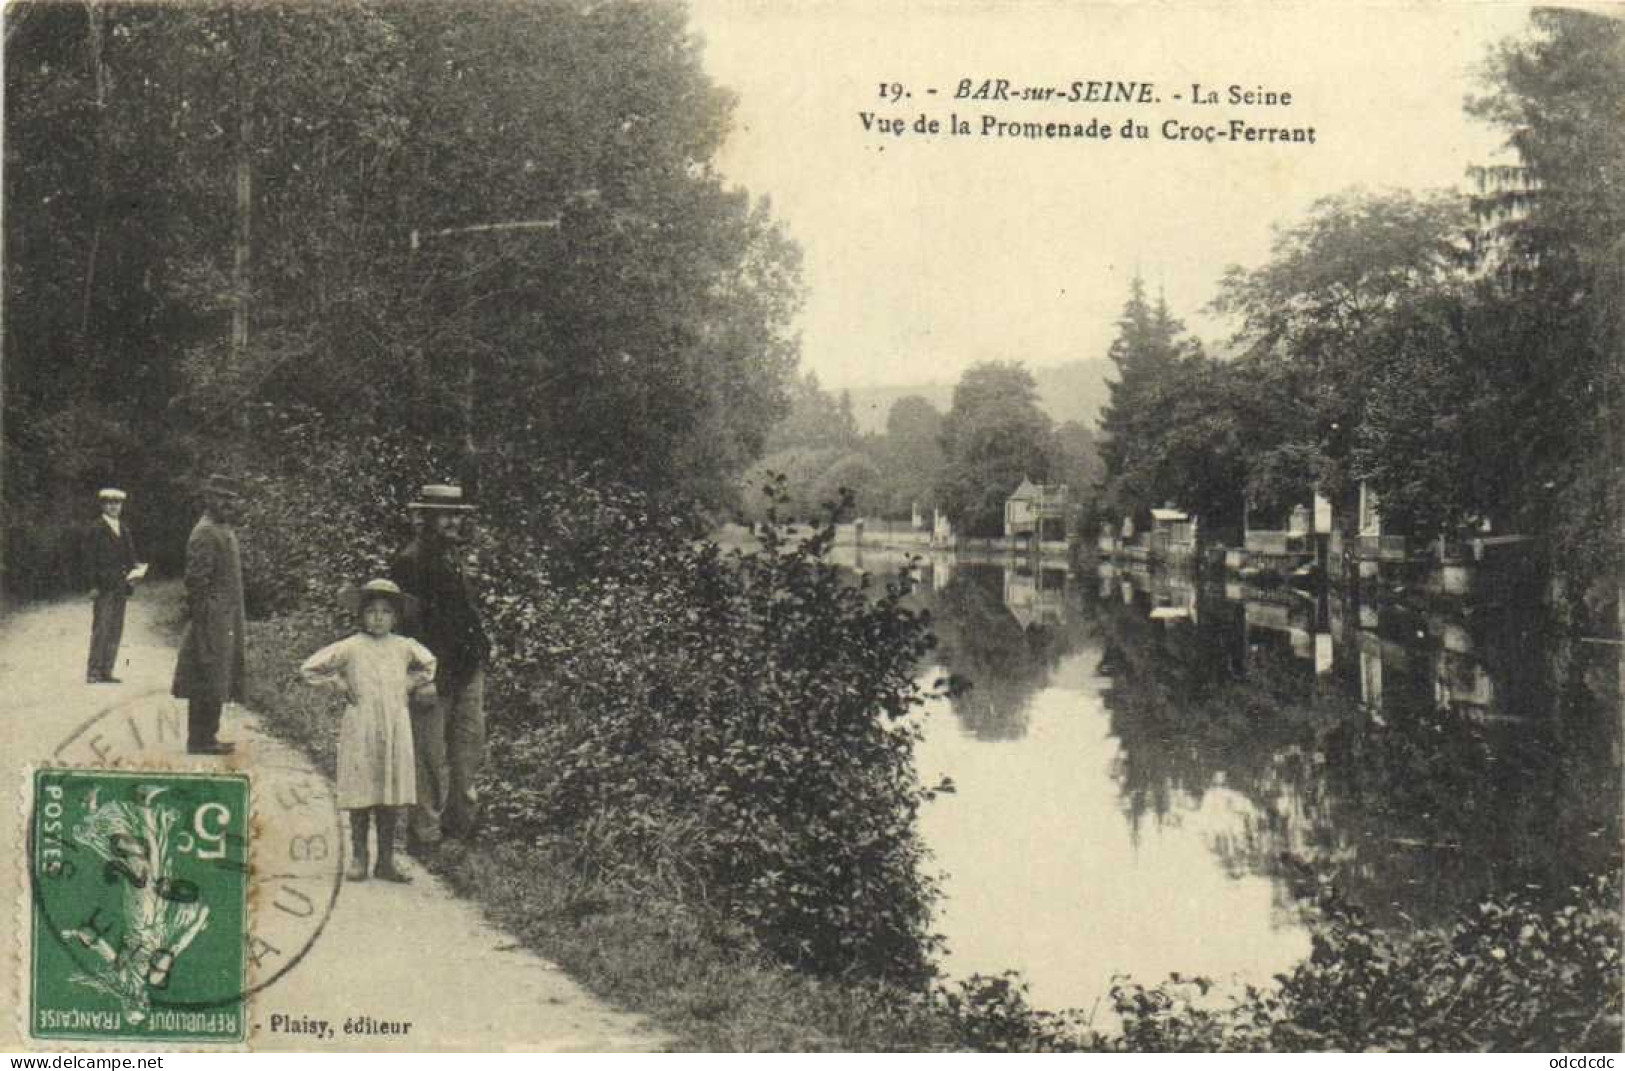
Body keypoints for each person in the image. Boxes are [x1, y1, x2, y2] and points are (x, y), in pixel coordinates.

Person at [301, 579, 436, 884]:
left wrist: (412, 683)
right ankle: (359, 856)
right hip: (361, 724)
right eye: (372, 611)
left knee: (390, 790)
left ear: (395, 617)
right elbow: (310, 668)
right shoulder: (350, 647)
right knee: (362, 787)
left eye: (386, 612)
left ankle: (385, 860)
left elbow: (428, 665)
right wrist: (338, 683)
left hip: (394, 724)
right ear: (361, 615)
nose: (378, 618)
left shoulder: (403, 646)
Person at [390, 483, 490, 853]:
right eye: (446, 515)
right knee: (429, 757)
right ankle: (425, 836)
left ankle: (460, 829)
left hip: (467, 669)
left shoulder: (455, 557)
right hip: (433, 675)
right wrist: (421, 677)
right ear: (426, 518)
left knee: (467, 752)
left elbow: (463, 616)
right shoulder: (410, 561)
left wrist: (481, 653)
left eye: (457, 515)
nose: (454, 522)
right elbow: (406, 628)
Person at [171, 473, 248, 755]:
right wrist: (204, 620)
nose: (228, 504)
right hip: (211, 616)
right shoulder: (205, 531)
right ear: (208, 498)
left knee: (217, 675)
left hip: (224, 616)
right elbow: (196, 582)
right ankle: (200, 739)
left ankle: (208, 735)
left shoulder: (222, 528)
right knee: (206, 673)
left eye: (231, 499)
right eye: (221, 498)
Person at [84, 487, 146, 684]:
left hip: (121, 585)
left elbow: (131, 556)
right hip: (103, 587)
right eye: (109, 503)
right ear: (103, 505)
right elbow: (89, 559)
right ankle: (93, 672)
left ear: (121, 506)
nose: (113, 507)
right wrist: (92, 585)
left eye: (117, 503)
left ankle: (107, 670)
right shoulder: (96, 528)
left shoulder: (124, 528)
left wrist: (136, 570)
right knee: (101, 628)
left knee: (115, 629)